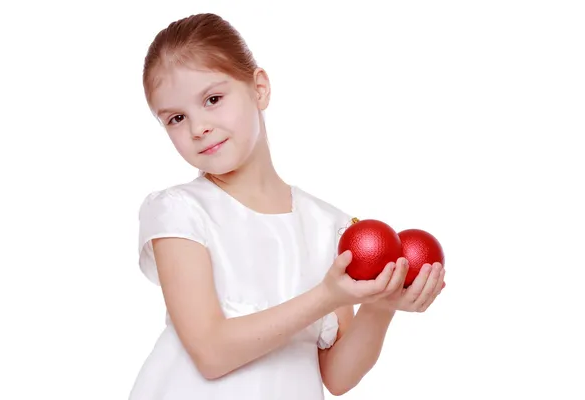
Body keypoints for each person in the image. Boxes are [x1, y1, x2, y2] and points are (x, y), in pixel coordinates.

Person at [129, 12, 445, 400]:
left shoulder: (327, 226)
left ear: (259, 88)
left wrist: (380, 306)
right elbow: (211, 352)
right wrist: (329, 296)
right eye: (176, 118)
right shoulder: (179, 213)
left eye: (213, 99)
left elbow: (337, 377)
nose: (198, 127)